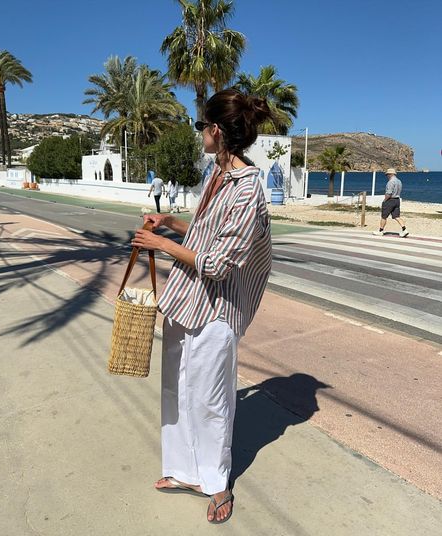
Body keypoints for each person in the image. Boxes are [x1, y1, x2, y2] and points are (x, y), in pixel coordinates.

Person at [131, 89, 273, 524]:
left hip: (217, 308)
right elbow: (206, 231)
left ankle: (216, 482)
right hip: (187, 298)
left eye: (201, 128)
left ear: (216, 131)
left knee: (211, 399)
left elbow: (219, 263)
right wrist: (170, 224)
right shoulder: (217, 173)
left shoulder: (248, 188)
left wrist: (160, 244)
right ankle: (181, 470)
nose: (200, 137)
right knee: (177, 385)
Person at [373, 168, 409, 237]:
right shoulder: (399, 181)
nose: (387, 176)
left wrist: (385, 200)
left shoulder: (390, 182)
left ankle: (380, 231)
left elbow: (389, 193)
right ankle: (404, 229)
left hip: (390, 200)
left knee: (384, 216)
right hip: (397, 200)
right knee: (397, 216)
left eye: (387, 174)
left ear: (390, 174)